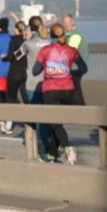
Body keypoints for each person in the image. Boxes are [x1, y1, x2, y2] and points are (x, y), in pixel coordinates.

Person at [32, 23, 87, 164]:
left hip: (51, 90)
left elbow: (35, 71)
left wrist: (47, 66)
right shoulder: (72, 51)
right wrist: (68, 72)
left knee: (55, 124)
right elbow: (83, 68)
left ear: (51, 35)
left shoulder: (45, 50)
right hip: (68, 90)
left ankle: (68, 148)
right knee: (57, 124)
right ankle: (51, 155)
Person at [24, 16, 53, 157]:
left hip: (32, 83)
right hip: (50, 83)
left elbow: (16, 56)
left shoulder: (28, 44)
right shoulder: (49, 42)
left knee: (38, 117)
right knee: (50, 115)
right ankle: (55, 143)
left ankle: (48, 147)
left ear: (30, 28)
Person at [64, 13, 88, 106]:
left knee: (75, 90)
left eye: (68, 22)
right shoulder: (70, 35)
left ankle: (81, 110)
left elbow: (70, 52)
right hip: (75, 67)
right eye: (65, 22)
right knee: (75, 90)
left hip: (76, 68)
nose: (66, 24)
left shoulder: (75, 35)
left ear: (72, 22)